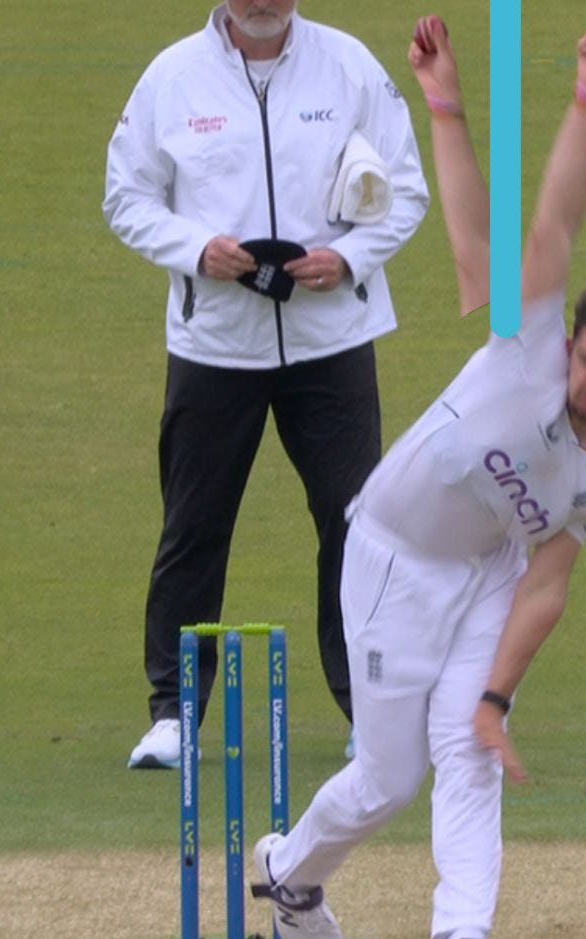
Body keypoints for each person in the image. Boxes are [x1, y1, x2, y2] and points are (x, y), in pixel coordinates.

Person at [247, 13, 586, 939]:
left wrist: (496, 699)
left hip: (485, 576)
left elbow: (546, 585)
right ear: (571, 345)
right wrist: (565, 100)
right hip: (392, 555)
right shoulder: (526, 340)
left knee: (470, 756)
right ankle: (289, 873)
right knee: (387, 780)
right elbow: (540, 224)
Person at [104, 0, 430, 769]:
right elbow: (126, 198)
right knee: (194, 526)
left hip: (332, 340)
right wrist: (196, 250)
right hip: (215, 344)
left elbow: (407, 190)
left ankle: (370, 714)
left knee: (357, 529)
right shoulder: (172, 78)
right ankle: (173, 716)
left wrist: (347, 259)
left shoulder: (349, 67)